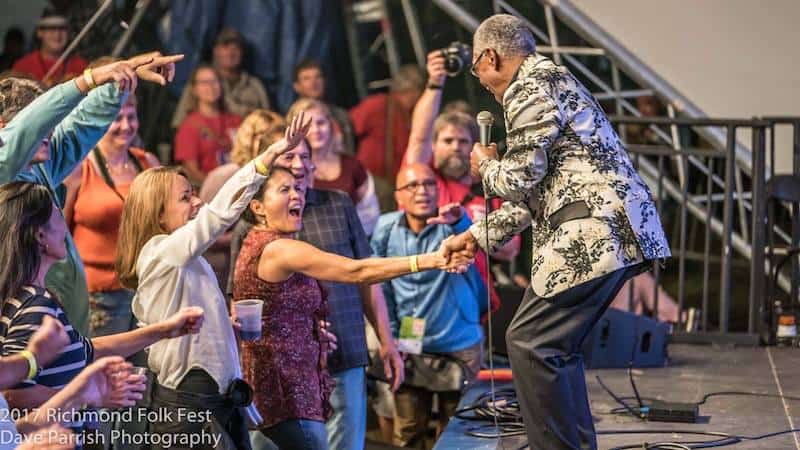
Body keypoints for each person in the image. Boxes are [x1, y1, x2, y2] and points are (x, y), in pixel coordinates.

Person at [443, 14, 671, 450]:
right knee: (549, 347)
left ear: (490, 57)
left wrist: (486, 165)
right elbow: (539, 193)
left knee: (531, 342)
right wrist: (475, 236)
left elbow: (521, 177)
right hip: (608, 229)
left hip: (594, 231)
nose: (481, 81)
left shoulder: (528, 86)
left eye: (476, 68)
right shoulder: (550, 80)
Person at [232, 164, 471, 450]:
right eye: (284, 189)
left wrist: (309, 331)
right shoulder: (277, 249)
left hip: (286, 382)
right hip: (284, 389)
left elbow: (274, 312)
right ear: (258, 207)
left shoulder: (265, 242)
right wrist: (433, 260)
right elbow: (356, 271)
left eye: (297, 188)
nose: (297, 195)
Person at [115, 113, 312, 449]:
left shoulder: (185, 258)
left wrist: (224, 326)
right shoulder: (161, 252)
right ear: (157, 214)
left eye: (194, 194)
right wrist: (269, 156)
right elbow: (218, 215)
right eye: (185, 198)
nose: (198, 202)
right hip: (189, 409)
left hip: (214, 401)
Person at [227, 128, 405, 450]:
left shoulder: (338, 203)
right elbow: (237, 300)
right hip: (283, 373)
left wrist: (386, 341)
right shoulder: (257, 224)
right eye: (288, 156)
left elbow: (366, 272)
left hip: (343, 347)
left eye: (304, 157)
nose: (297, 165)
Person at [0, 181, 205, 448]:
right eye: (57, 214)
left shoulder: (30, 297)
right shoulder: (35, 306)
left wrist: (164, 330)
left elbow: (86, 350)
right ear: (40, 236)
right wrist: (87, 398)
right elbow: (13, 394)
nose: (65, 227)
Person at [0, 52, 182, 336]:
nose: (51, 131)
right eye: (43, 127)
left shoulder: (42, 166)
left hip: (63, 327)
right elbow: (25, 129)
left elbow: (82, 124)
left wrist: (119, 82)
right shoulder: (4, 171)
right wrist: (88, 80)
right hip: (27, 334)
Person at [371, 163, 486, 448]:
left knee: (458, 435)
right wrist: (393, 335)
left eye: (429, 184)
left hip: (459, 342)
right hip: (410, 342)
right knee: (409, 432)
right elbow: (380, 286)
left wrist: (459, 221)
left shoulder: (452, 222)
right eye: (413, 185)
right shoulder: (386, 228)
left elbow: (472, 241)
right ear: (399, 195)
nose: (422, 191)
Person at [404, 49, 522, 314]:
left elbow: (512, 250)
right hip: (422, 297)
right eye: (447, 141)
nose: (456, 147)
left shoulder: (490, 189)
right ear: (434, 146)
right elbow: (419, 137)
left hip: (469, 302)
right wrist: (435, 83)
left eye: (463, 142)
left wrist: (478, 228)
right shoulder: (424, 178)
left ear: (474, 148)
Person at [63, 84, 160, 340]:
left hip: (147, 289)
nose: (126, 126)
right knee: (105, 374)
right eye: (117, 118)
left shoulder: (147, 163)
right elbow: (57, 234)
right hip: (98, 295)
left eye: (131, 116)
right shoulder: (78, 168)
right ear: (99, 119)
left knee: (142, 377)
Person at [199, 109, 285, 288]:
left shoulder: (280, 179)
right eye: (260, 135)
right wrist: (250, 236)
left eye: (273, 137)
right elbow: (203, 233)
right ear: (247, 139)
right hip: (221, 273)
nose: (268, 144)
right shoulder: (224, 176)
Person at [287, 98, 380, 234]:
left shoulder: (352, 165)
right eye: (307, 126)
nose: (316, 130)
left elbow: (369, 213)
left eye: (321, 123)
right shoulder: (289, 170)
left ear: (330, 125)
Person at [350, 65, 425, 210]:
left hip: (392, 187)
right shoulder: (378, 104)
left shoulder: (410, 115)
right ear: (413, 91)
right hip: (370, 184)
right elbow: (346, 126)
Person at [172, 28, 271, 127]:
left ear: (242, 53)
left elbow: (270, 120)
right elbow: (181, 122)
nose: (231, 52)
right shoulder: (202, 80)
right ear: (216, 50)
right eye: (225, 46)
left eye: (236, 48)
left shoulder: (255, 85)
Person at [173, 64, 243, 185]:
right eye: (204, 82)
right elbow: (192, 171)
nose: (210, 86)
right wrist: (216, 188)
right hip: (209, 190)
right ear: (194, 89)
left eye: (214, 81)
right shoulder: (189, 126)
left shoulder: (236, 120)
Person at [293, 59, 354, 155]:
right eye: (306, 78)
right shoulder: (293, 119)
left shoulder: (340, 115)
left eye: (318, 77)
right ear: (296, 86)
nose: (313, 82)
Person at [12, 11, 87, 87]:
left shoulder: (80, 65)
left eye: (62, 28)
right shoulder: (22, 66)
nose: (57, 34)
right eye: (51, 28)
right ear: (39, 32)